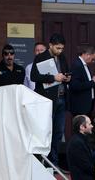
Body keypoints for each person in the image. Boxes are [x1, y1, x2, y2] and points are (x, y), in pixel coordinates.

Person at [31, 33, 71, 166]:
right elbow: (34, 76)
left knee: (58, 132)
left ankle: (54, 162)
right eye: (57, 48)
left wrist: (66, 77)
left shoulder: (62, 57)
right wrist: (53, 78)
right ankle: (44, 162)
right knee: (45, 131)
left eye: (62, 48)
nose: (60, 51)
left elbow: (65, 71)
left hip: (61, 97)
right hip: (47, 99)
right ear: (50, 45)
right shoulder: (40, 57)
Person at [69, 46, 95, 116]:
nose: (93, 62)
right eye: (93, 59)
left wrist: (94, 80)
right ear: (88, 55)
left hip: (87, 106)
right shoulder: (77, 65)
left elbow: (84, 81)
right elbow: (75, 86)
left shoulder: (85, 65)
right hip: (80, 106)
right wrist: (92, 82)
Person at [67, 115, 95, 180]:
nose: (92, 126)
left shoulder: (82, 140)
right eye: (89, 124)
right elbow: (85, 165)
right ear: (82, 127)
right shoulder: (77, 143)